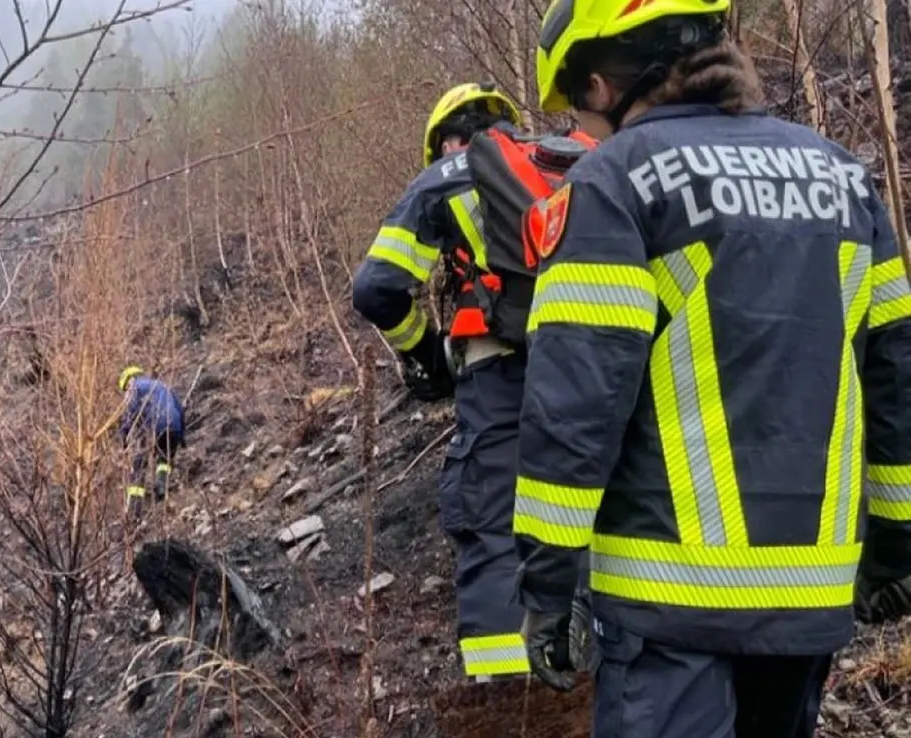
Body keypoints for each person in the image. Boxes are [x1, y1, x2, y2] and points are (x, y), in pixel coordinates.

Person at [512, 0, 911, 736]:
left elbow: (575, 408)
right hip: (810, 601)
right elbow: (894, 379)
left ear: (600, 85)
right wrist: (896, 545)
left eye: (579, 108)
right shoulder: (847, 182)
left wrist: (546, 582)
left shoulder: (615, 185)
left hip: (669, 613)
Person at [351, 82, 548, 687]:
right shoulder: (573, 154)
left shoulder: (447, 175)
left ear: (449, 140)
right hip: (596, 367)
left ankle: (507, 703)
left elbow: (376, 288)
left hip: (500, 373)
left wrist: (427, 354)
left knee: (493, 524)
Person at [118, 366, 186, 519]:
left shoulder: (134, 387)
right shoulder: (161, 385)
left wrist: (125, 436)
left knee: (138, 465)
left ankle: (134, 510)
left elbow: (130, 412)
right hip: (174, 424)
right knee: (165, 456)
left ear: (129, 380)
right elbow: (179, 409)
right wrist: (181, 436)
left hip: (156, 423)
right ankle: (162, 484)